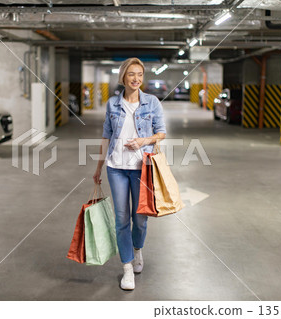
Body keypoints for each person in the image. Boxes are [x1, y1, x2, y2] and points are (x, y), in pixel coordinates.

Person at [93, 57, 166, 291]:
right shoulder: (112, 104)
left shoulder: (152, 102)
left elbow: (161, 133)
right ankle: (126, 268)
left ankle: (137, 250)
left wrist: (144, 140)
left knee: (140, 219)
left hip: (141, 168)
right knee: (122, 218)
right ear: (123, 77)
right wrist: (98, 168)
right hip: (116, 167)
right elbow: (106, 135)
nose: (136, 79)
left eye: (140, 75)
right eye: (132, 74)